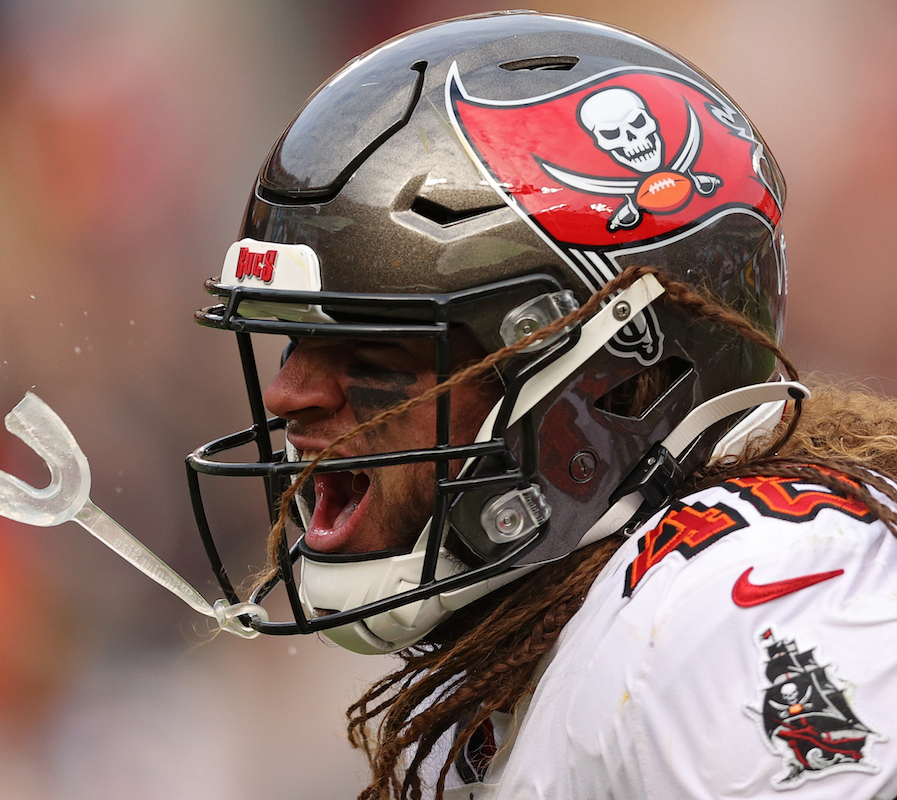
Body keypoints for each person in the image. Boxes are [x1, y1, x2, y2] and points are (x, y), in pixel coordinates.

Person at [186, 11, 897, 800]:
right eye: (295, 346)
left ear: (617, 377)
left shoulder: (736, 604)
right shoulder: (559, 631)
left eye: (375, 352)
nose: (289, 394)